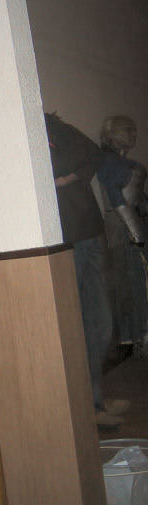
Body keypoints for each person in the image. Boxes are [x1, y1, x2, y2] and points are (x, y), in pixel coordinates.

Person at [44, 112, 129, 428]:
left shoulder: (56, 126)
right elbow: (52, 167)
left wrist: (68, 178)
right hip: (68, 240)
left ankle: (96, 398)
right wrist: (70, 172)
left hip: (90, 232)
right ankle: (90, 405)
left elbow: (92, 154)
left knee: (101, 323)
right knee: (86, 324)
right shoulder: (27, 132)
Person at [97, 115, 148, 356]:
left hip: (128, 225)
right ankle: (139, 335)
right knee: (133, 281)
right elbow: (118, 200)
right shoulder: (110, 162)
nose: (133, 135)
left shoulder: (115, 160)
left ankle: (136, 335)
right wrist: (136, 234)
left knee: (134, 281)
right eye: (128, 131)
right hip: (123, 229)